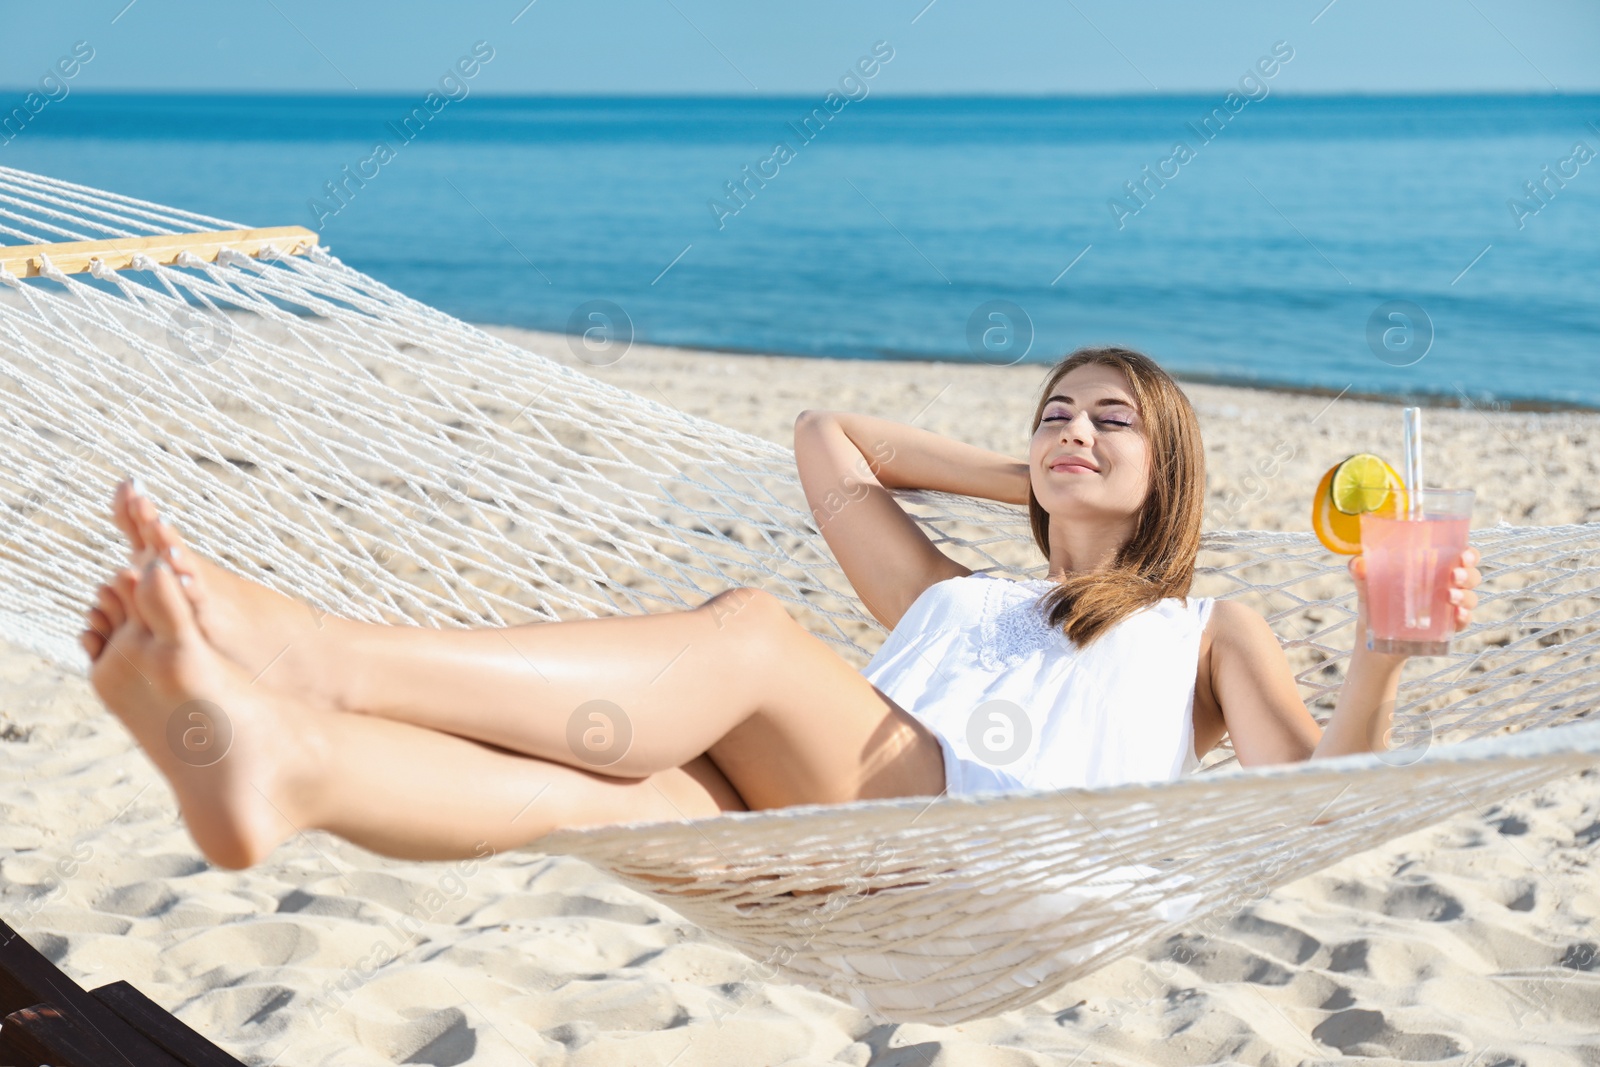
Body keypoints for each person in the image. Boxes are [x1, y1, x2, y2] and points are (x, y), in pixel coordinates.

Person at [81, 346, 1481, 872]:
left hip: (982, 839)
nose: (1072, 426)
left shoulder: (1201, 629)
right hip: (836, 840)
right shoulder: (952, 594)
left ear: (1171, 466)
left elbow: (1318, 796)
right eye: (1055, 410)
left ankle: (323, 657)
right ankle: (289, 769)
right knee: (613, 796)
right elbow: (830, 439)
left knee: (750, 627)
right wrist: (1041, 485)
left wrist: (1379, 650)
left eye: (1113, 420)